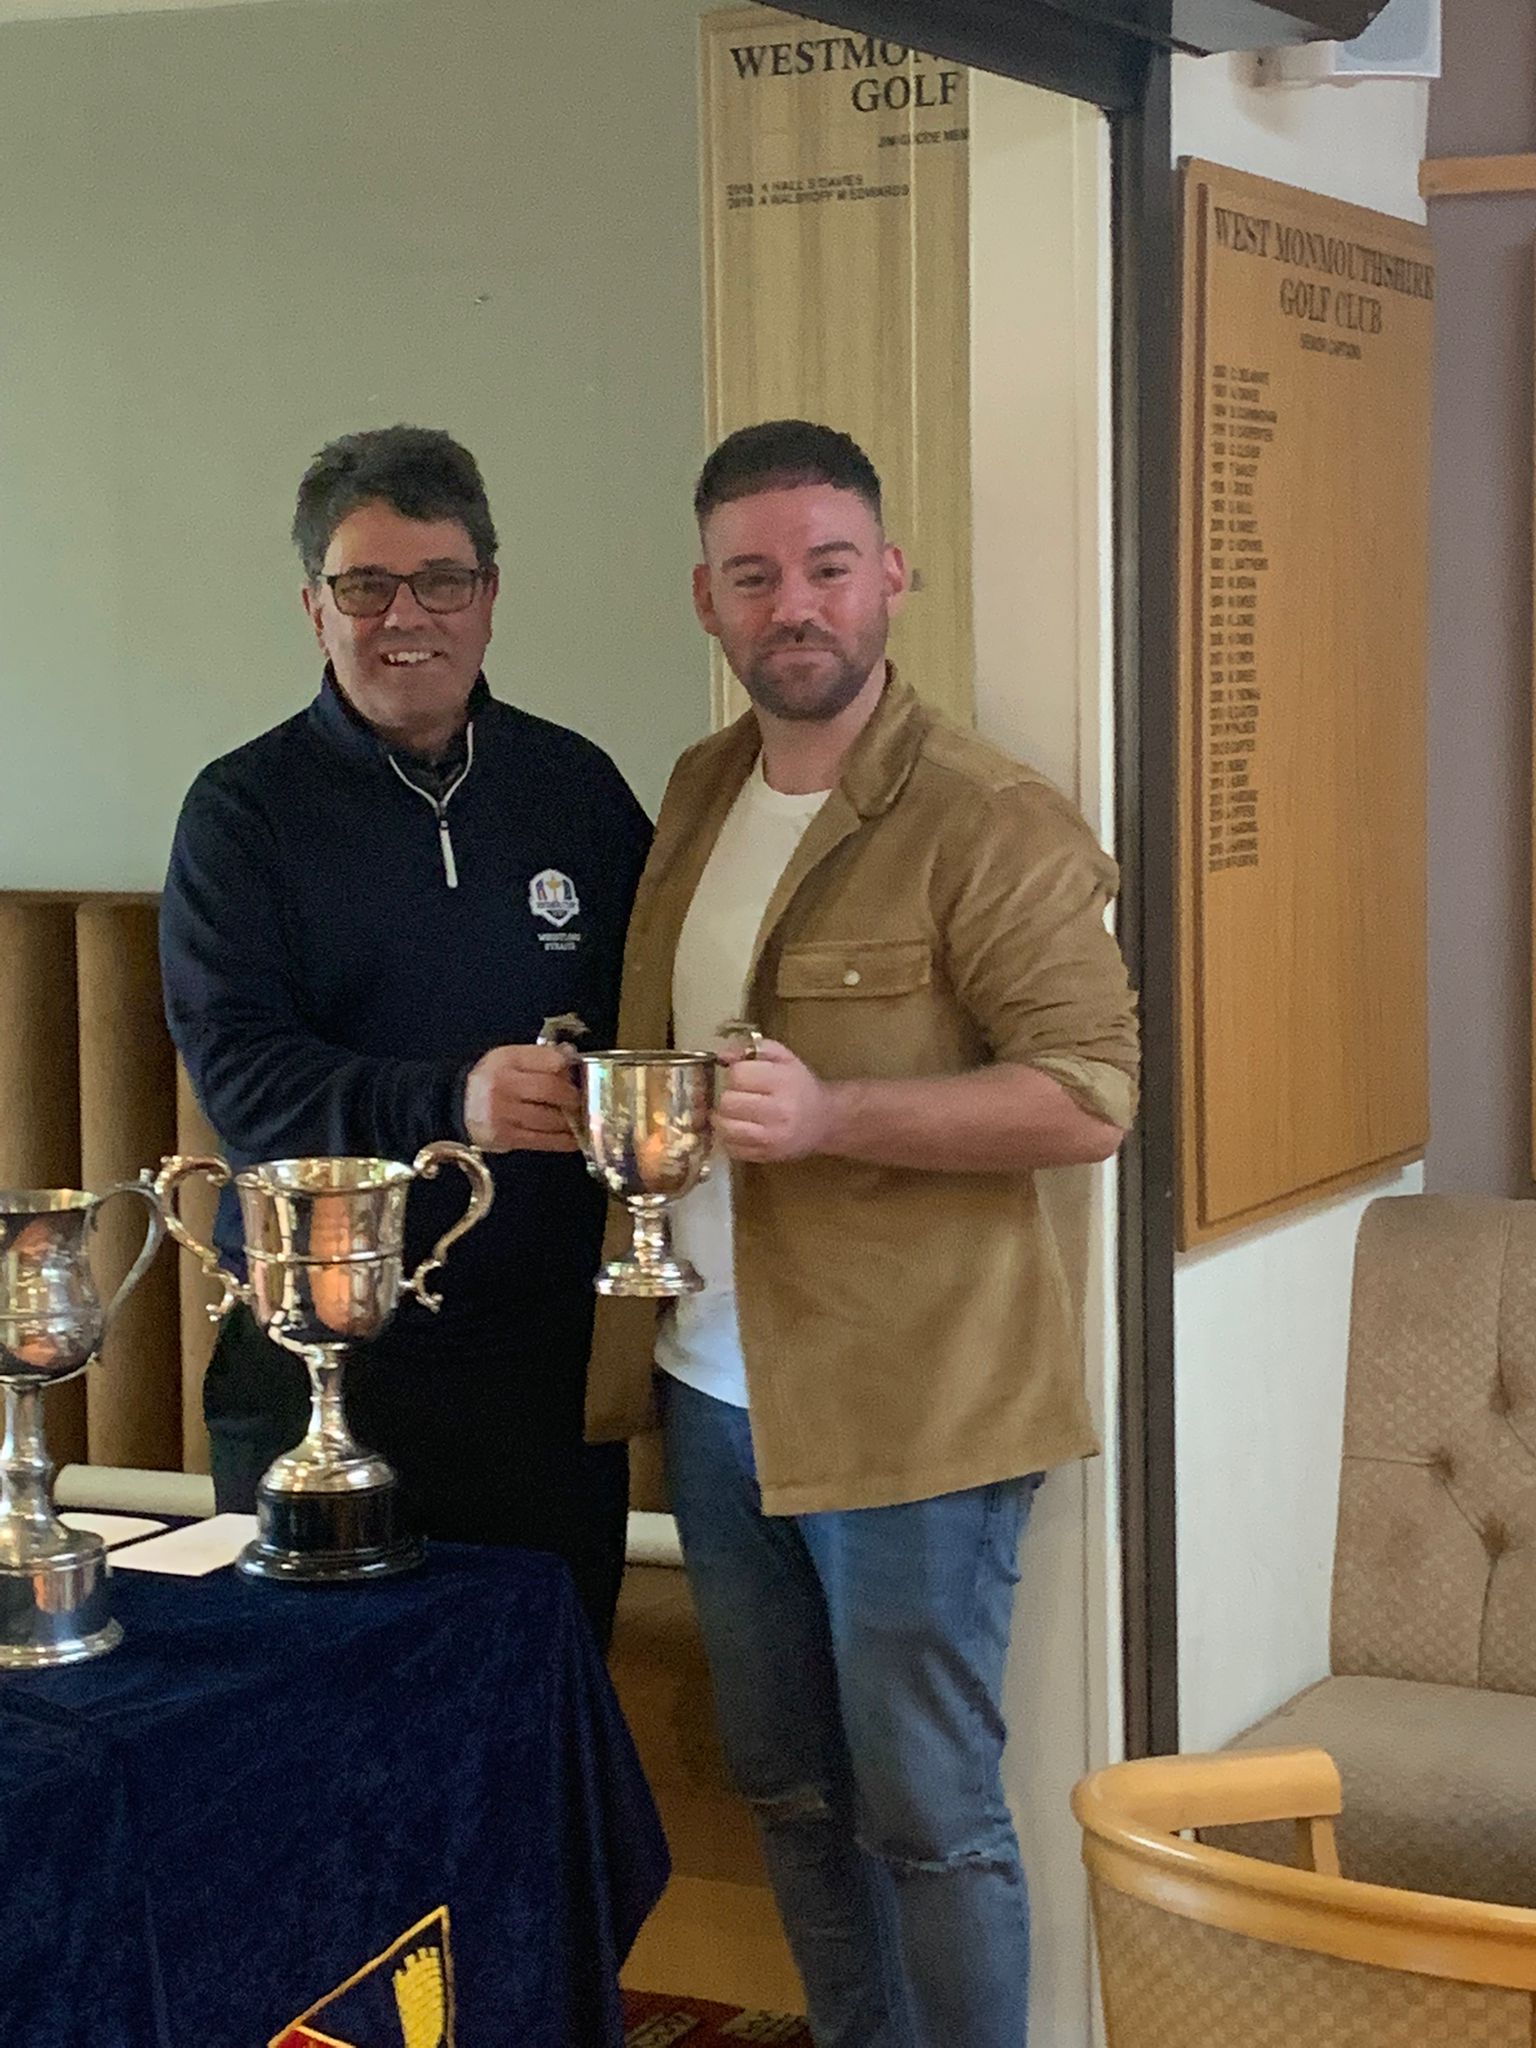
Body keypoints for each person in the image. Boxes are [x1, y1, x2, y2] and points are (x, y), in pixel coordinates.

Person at [585, 419, 1139, 2043]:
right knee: (787, 1792)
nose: (795, 605)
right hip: (710, 1385)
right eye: (754, 576)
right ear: (706, 598)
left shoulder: (989, 815)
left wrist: (838, 1116)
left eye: (828, 566)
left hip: (916, 1411)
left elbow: (1092, 1097)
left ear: (890, 574)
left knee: (928, 1816)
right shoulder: (697, 789)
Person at [160, 425, 650, 1647]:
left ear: (488, 596)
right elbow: (243, 1078)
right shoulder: (240, 811)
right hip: (317, 1355)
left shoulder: (577, 789)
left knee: (543, 1694)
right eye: (365, 585)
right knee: (319, 1709)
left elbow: (653, 1025)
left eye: (441, 581)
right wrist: (453, 1100)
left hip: (541, 1357)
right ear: (314, 607)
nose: (405, 617)